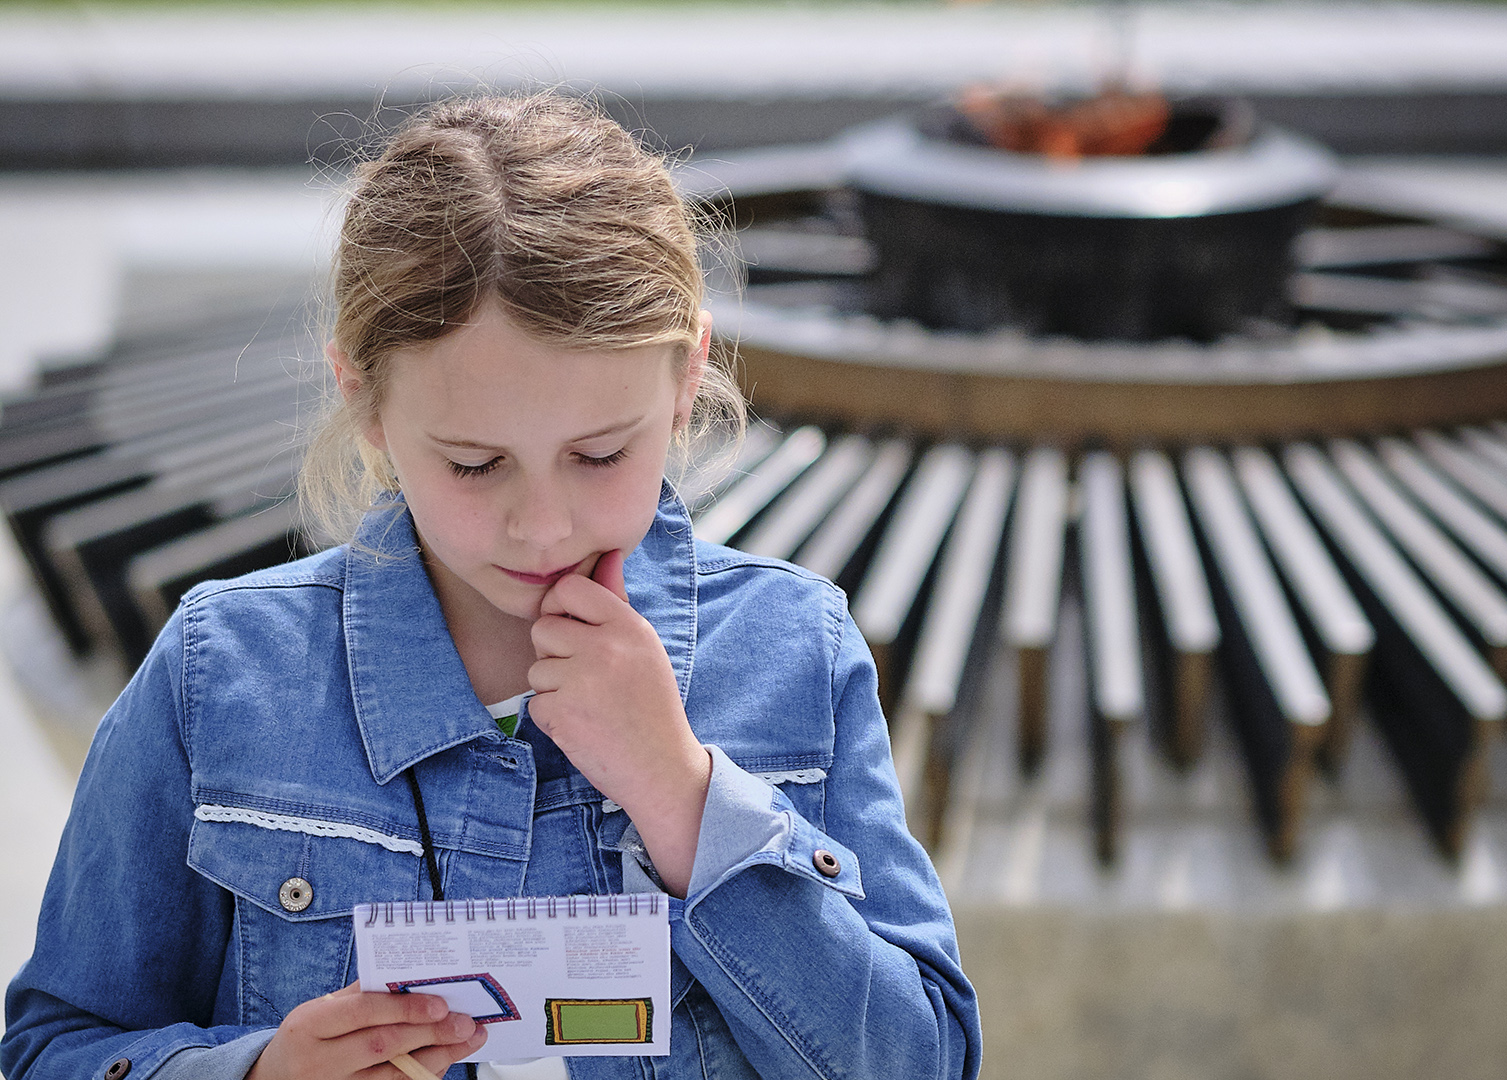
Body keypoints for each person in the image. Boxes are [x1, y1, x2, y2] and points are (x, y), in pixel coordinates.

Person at [2, 93, 981, 1080]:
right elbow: (52, 1046)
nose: (542, 524)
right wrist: (256, 1072)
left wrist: (684, 798)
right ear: (366, 400)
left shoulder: (794, 654)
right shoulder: (220, 682)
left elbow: (922, 1059)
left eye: (600, 454)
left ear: (684, 383)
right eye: (475, 464)